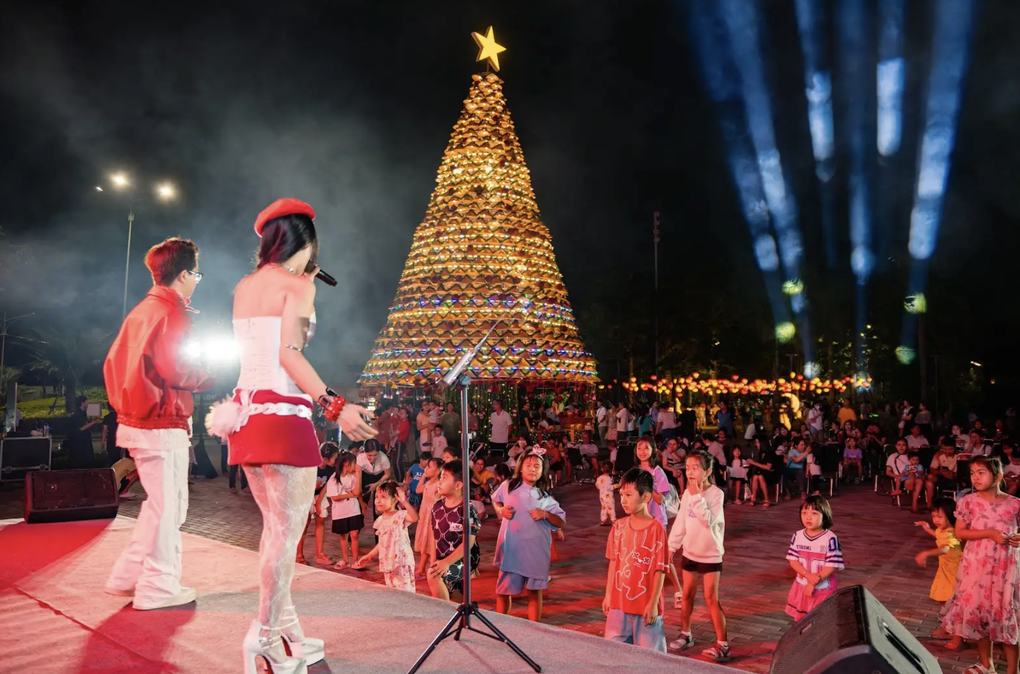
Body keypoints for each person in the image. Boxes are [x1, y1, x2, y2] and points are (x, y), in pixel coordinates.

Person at [211, 201, 376, 674]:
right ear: (306, 245)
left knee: (275, 533)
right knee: (285, 535)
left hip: (245, 418)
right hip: (284, 418)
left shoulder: (246, 286)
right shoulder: (299, 286)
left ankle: (291, 635)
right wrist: (336, 406)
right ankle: (262, 639)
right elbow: (288, 353)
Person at [103, 238, 214, 611]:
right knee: (170, 507)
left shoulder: (142, 311)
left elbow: (113, 365)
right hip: (161, 422)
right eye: (196, 273)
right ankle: (158, 585)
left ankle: (130, 574)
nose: (197, 280)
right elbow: (177, 369)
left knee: (162, 504)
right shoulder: (172, 314)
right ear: (183, 274)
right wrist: (207, 375)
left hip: (139, 420)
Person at [939, 457, 1020, 674]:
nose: (975, 477)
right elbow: (960, 532)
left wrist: (1017, 538)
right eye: (973, 473)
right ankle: (987, 665)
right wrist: (990, 533)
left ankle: (1013, 670)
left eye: (981, 472)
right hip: (976, 565)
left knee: (1005, 614)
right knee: (981, 614)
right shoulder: (968, 501)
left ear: (998, 477)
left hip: (1005, 568)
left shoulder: (1014, 504)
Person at [492, 446, 565, 622]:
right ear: (520, 467)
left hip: (535, 552)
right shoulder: (507, 486)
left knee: (534, 591)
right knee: (503, 591)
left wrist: (545, 514)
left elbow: (561, 521)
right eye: (528, 465)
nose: (532, 469)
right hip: (512, 551)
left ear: (543, 470)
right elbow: (495, 500)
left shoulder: (545, 497)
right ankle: (501, 625)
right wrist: (501, 511)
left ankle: (534, 628)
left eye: (537, 466)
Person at [668, 451, 729, 662]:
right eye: (688, 467)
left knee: (712, 598)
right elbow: (682, 522)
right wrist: (671, 546)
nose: (690, 472)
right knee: (687, 596)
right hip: (690, 552)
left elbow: (707, 521)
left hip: (710, 554)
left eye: (696, 468)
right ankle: (686, 634)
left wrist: (696, 495)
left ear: (708, 471)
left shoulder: (716, 495)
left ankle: (723, 644)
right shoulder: (687, 493)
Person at [602, 468, 668, 652]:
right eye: (621, 494)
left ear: (646, 497)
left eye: (629, 495)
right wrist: (608, 595)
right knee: (613, 653)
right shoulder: (619, 527)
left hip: (645, 606)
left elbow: (659, 569)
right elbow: (613, 562)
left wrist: (653, 603)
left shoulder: (657, 530)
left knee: (649, 657)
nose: (623, 500)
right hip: (618, 604)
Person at [426, 460, 481, 602]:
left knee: (434, 576)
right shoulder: (437, 507)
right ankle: (458, 619)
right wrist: (434, 561)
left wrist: (446, 563)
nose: (439, 482)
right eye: (440, 478)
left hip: (464, 558)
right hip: (443, 556)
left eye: (444, 478)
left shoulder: (467, 509)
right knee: (456, 594)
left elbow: (469, 542)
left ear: (458, 485)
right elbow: (434, 536)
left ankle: (443, 616)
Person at [785, 495, 844, 622]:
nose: (808, 517)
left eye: (814, 513)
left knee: (821, 621)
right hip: (801, 586)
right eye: (804, 512)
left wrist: (813, 582)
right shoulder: (797, 535)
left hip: (823, 589)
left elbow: (832, 565)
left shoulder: (830, 538)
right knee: (801, 620)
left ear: (825, 515)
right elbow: (793, 560)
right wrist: (807, 575)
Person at [916, 498, 964, 650]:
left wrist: (927, 553)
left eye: (940, 516)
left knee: (954, 602)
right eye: (934, 516)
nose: (936, 520)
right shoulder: (943, 530)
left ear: (950, 515)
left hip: (955, 572)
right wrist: (927, 528)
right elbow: (937, 534)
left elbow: (944, 548)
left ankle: (957, 635)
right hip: (945, 570)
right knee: (942, 598)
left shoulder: (952, 533)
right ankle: (948, 627)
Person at [357, 481, 419, 592]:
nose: (378, 500)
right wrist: (369, 556)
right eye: (376, 497)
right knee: (392, 592)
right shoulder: (380, 521)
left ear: (395, 499)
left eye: (383, 497)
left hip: (401, 563)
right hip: (388, 563)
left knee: (405, 593)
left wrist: (404, 502)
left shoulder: (400, 515)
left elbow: (415, 518)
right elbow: (382, 543)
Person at [298, 442, 339, 566]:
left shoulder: (332, 468)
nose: (336, 460)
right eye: (335, 458)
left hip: (318, 495)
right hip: (304, 494)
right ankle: (298, 554)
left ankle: (319, 554)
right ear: (325, 459)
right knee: (304, 525)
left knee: (320, 521)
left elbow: (326, 486)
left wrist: (318, 503)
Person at [326, 451, 364, 571]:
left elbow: (357, 492)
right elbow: (335, 497)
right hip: (340, 512)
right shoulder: (333, 479)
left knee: (354, 534)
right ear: (347, 464)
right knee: (343, 536)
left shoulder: (353, 476)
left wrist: (359, 474)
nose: (355, 466)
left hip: (353, 509)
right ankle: (345, 560)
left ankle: (355, 560)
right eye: (354, 464)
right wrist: (349, 494)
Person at [414, 456, 444, 579]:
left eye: (429, 467)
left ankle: (431, 570)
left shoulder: (438, 485)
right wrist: (424, 475)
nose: (426, 468)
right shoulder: (428, 482)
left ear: (437, 471)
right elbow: (417, 490)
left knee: (432, 544)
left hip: (432, 518)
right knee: (424, 544)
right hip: (424, 517)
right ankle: (421, 570)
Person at [67, 395, 102, 468]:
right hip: (80, 442)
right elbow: (81, 428)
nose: (87, 404)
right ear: (82, 403)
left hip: (85, 440)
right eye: (86, 402)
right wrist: (93, 422)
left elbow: (85, 424)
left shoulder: (83, 413)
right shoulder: (78, 414)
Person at [357, 439, 392, 509]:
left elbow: (387, 474)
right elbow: (358, 477)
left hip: (380, 477)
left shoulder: (384, 458)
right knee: (363, 500)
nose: (372, 458)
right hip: (365, 476)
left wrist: (376, 484)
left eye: (375, 455)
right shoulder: (360, 458)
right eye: (369, 455)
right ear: (365, 452)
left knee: (380, 502)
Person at [596, 461, 616, 525]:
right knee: (611, 508)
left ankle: (603, 520)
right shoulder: (609, 478)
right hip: (609, 496)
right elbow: (609, 487)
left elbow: (597, 485)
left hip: (602, 496)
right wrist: (616, 485)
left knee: (604, 508)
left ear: (602, 469)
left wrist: (602, 487)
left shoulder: (599, 478)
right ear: (611, 470)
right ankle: (613, 520)